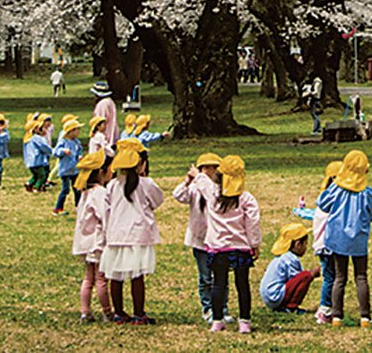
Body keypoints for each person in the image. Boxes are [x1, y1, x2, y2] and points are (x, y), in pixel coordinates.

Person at [101, 142, 164, 324]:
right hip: (138, 234)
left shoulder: (113, 184)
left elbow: (108, 207)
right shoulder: (146, 184)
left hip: (116, 234)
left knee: (116, 275)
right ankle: (139, 313)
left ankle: (119, 313)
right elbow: (157, 200)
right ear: (141, 163)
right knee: (137, 275)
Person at [318, 149, 372, 328]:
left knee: (339, 277)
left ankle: (337, 316)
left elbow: (322, 203)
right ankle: (365, 317)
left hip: (337, 239)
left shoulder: (336, 189)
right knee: (361, 277)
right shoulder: (367, 193)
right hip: (359, 240)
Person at [204, 155, 262, 334]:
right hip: (240, 248)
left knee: (218, 284)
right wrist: (255, 244)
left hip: (218, 247)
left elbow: (201, 181)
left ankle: (217, 320)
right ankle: (244, 321)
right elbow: (252, 224)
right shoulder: (246, 199)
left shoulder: (212, 195)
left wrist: (196, 174)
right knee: (242, 284)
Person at [173, 152, 225, 322]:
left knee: (220, 276)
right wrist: (188, 181)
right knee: (205, 277)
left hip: (217, 239)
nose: (210, 171)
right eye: (206, 168)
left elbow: (211, 194)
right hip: (200, 239)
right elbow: (178, 195)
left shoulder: (219, 189)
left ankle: (222, 308)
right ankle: (207, 307)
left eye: (214, 167)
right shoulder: (195, 189)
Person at [72, 149, 114, 322]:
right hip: (97, 241)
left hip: (86, 242)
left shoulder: (85, 193)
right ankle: (107, 311)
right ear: (101, 172)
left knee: (88, 278)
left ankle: (85, 311)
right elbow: (105, 216)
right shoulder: (100, 193)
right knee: (101, 278)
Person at [261, 222, 319, 312]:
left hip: (270, 297)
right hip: (275, 297)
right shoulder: (290, 258)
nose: (306, 247)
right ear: (298, 244)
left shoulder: (282, 257)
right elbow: (296, 281)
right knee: (306, 276)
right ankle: (291, 307)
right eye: (305, 243)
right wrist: (312, 274)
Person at [312, 160, 343, 324]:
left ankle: (328, 307)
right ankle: (325, 309)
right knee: (331, 277)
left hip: (321, 244)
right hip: (328, 245)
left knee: (329, 276)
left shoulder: (323, 196)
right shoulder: (335, 198)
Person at [52, 117, 85, 214]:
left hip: (74, 170)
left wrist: (79, 156)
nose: (78, 132)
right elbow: (55, 152)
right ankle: (58, 208)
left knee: (77, 189)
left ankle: (79, 206)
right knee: (65, 189)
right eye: (76, 130)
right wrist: (63, 151)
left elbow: (79, 151)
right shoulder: (63, 142)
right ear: (70, 131)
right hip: (65, 170)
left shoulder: (77, 142)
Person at [24, 114, 53, 192]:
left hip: (30, 161)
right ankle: (37, 187)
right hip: (37, 161)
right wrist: (52, 151)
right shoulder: (37, 138)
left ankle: (29, 183)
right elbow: (44, 147)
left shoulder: (27, 138)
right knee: (42, 175)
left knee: (36, 175)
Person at [91, 81, 119, 146]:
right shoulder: (110, 101)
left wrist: (94, 131)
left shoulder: (102, 104)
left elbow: (99, 120)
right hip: (113, 130)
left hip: (105, 133)